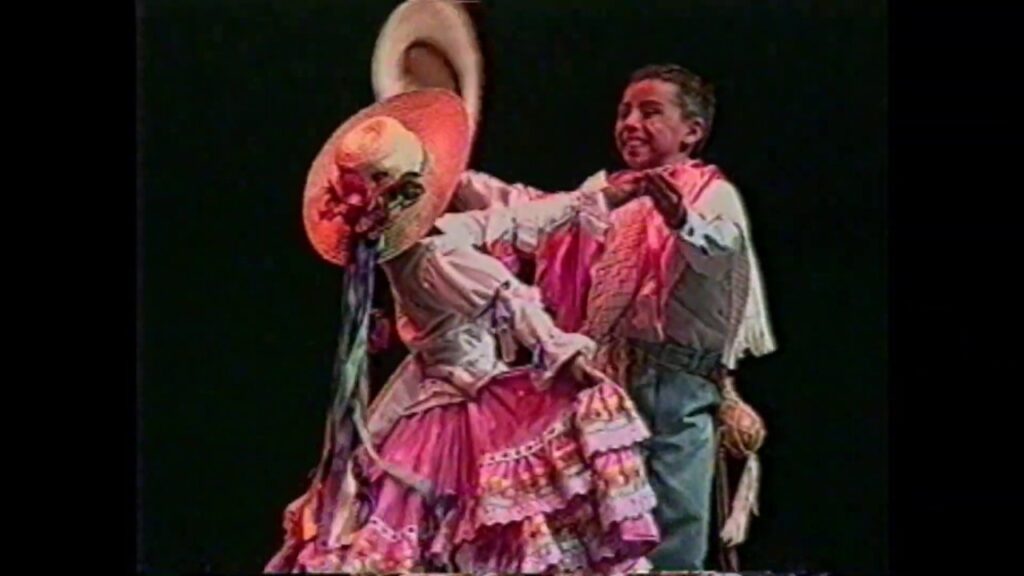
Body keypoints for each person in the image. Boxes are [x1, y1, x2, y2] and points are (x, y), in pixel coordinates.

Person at [264, 89, 661, 574]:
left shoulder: (413, 249)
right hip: (465, 405)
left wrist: (595, 198)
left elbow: (510, 221)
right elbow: (510, 300)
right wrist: (567, 358)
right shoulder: (435, 258)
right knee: (492, 527)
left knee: (439, 529)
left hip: (432, 393)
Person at [452, 63, 777, 570]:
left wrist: (680, 219)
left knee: (672, 523)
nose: (629, 122)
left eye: (650, 112)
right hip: (608, 377)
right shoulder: (612, 196)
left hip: (676, 381)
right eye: (624, 112)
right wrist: (455, 175)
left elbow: (720, 249)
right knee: (604, 522)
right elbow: (533, 211)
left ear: (693, 131)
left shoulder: (710, 193)